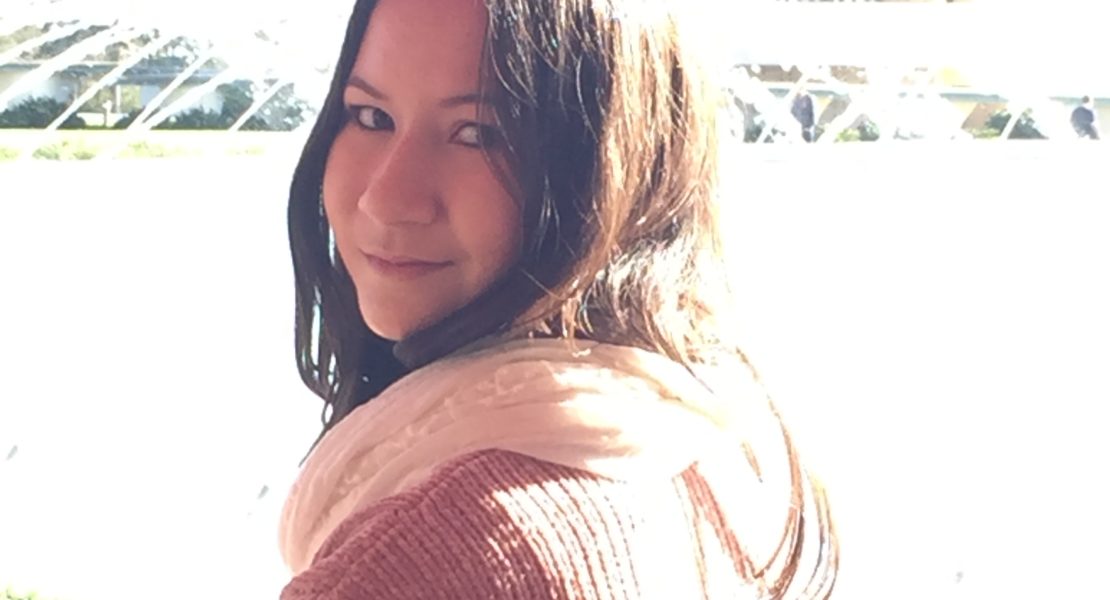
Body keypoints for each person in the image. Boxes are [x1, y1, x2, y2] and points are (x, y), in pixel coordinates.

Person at [279, 0, 838, 598]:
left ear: (623, 166)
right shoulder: (706, 433)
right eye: (371, 117)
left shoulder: (442, 555)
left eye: (478, 134)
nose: (386, 199)